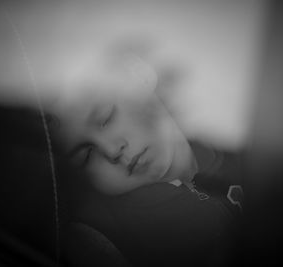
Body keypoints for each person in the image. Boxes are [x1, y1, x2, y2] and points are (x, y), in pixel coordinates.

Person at [49, 48, 244, 266]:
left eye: (105, 118)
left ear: (141, 85)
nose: (112, 151)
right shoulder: (103, 236)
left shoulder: (239, 141)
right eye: (86, 155)